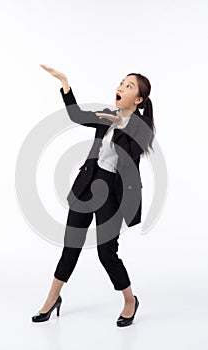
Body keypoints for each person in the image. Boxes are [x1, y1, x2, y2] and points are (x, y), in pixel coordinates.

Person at [32, 65, 156, 327]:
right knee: (70, 248)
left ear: (139, 100)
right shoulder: (107, 115)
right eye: (121, 83)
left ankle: (130, 301)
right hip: (86, 187)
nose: (121, 87)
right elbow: (76, 115)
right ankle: (52, 300)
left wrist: (119, 122)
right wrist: (65, 83)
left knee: (106, 253)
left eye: (129, 86)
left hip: (111, 193)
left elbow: (133, 149)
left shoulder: (142, 127)